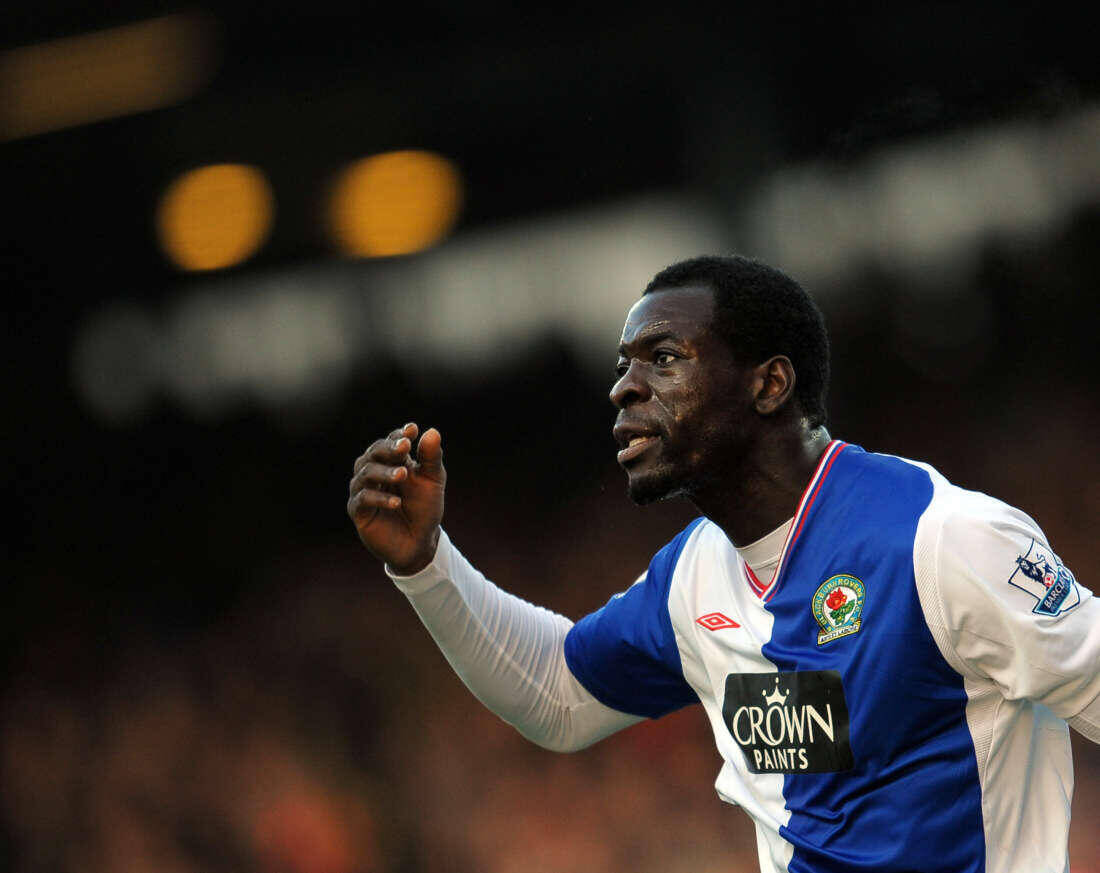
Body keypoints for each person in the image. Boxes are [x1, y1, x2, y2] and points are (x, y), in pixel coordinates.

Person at [346, 255, 1100, 873]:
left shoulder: (941, 539)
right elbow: (558, 695)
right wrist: (426, 565)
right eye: (623, 365)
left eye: (663, 358)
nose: (623, 388)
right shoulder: (693, 576)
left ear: (769, 385)